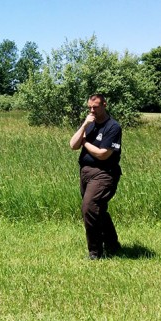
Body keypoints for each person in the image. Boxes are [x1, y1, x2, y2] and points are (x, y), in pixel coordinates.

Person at [69, 94, 122, 260]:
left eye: (96, 107)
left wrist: (84, 143)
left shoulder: (113, 127)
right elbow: (72, 145)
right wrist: (84, 125)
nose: (92, 110)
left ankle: (95, 253)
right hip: (85, 172)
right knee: (97, 210)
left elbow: (102, 154)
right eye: (90, 107)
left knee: (89, 207)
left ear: (104, 104)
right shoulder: (89, 124)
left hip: (104, 173)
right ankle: (113, 244)